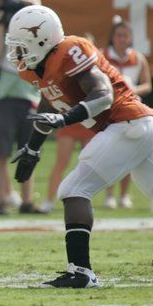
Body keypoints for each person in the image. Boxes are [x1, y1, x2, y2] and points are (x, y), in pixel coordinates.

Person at [8, 5, 153, 288]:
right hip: (142, 127)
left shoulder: (70, 50)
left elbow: (103, 95)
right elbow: (50, 101)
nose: (17, 55)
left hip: (127, 124)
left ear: (41, 39)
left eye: (21, 47)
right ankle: (81, 272)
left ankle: (81, 273)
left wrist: (65, 119)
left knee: (73, 190)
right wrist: (33, 147)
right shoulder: (40, 69)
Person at [0, 0, 43, 215]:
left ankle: (27, 200)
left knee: (28, 151)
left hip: (31, 96)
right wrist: (3, 21)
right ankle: (3, 200)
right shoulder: (6, 27)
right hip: (7, 97)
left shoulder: (42, 31)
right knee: (1, 151)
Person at [38, 33, 97, 214]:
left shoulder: (95, 70)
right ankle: (49, 200)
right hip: (70, 119)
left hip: (88, 120)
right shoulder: (63, 69)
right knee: (61, 162)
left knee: (92, 164)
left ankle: (87, 200)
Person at [102, 17, 152, 209]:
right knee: (109, 154)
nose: (121, 39)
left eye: (125, 36)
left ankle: (124, 195)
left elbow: (147, 85)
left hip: (132, 110)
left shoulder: (138, 58)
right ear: (112, 38)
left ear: (130, 38)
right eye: (118, 35)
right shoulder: (103, 55)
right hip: (109, 110)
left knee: (129, 156)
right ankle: (109, 196)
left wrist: (132, 89)